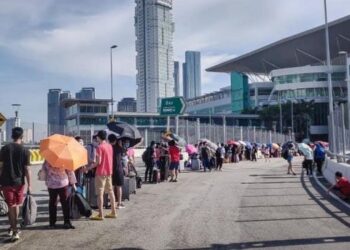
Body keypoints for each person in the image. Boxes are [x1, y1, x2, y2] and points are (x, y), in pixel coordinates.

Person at [0, 127, 31, 241]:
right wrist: (30, 184)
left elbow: (1, 167)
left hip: (6, 182)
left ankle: (13, 229)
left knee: (11, 205)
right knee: (16, 205)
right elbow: (27, 169)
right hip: (19, 183)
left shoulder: (4, 149)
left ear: (12, 136)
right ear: (22, 137)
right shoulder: (25, 151)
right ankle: (14, 229)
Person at [87, 130, 117, 220]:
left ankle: (100, 214)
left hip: (100, 173)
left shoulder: (99, 147)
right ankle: (113, 212)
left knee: (100, 194)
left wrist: (88, 168)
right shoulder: (110, 146)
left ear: (98, 137)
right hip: (109, 172)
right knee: (111, 192)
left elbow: (98, 162)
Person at [41, 161, 77, 229]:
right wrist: (73, 183)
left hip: (51, 184)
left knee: (52, 203)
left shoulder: (48, 160)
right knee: (65, 203)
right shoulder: (64, 160)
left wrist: (46, 180)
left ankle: (52, 223)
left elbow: (43, 171)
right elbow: (70, 171)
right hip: (63, 184)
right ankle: (67, 222)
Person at [108, 134, 125, 209]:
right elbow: (124, 153)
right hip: (119, 169)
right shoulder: (119, 148)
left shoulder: (108, 148)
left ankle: (111, 203)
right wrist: (120, 143)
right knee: (119, 187)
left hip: (110, 169)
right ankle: (119, 203)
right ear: (115, 140)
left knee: (110, 187)